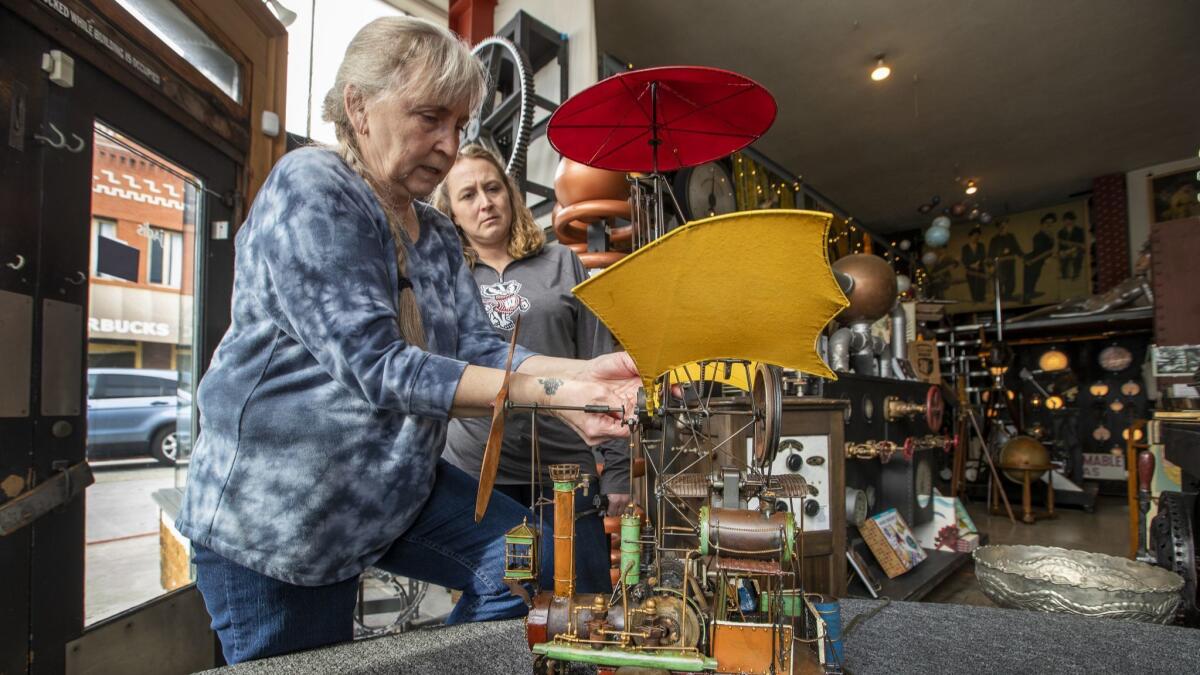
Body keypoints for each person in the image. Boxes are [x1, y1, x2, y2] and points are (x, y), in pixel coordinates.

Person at [174, 17, 641, 664]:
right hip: (283, 523)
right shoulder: (315, 189)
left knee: (527, 560)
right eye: (429, 119)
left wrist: (592, 374)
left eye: (458, 126)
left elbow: (481, 346)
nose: (448, 146)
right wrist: (558, 392)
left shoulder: (439, 235)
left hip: (396, 493)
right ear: (358, 105)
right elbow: (380, 367)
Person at [435, 144, 627, 595]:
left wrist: (616, 470)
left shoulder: (562, 262)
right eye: (468, 195)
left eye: (493, 187)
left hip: (565, 471)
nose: (485, 201)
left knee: (582, 599)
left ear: (510, 194)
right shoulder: (446, 279)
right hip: (477, 473)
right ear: (452, 214)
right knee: (502, 606)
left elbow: (601, 360)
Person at [987, 219, 1023, 302]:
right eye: (1001, 226)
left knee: (1010, 281)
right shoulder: (994, 240)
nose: (1003, 227)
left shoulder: (1011, 237)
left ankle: (1008, 296)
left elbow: (1017, 249)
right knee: (999, 282)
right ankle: (999, 298)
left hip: (1010, 263)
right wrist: (990, 266)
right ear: (998, 227)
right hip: (999, 264)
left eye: (1005, 225)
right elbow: (990, 254)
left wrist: (1023, 257)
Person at [1023, 214, 1056, 303]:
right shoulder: (1039, 236)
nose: (1049, 225)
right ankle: (1027, 297)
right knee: (1031, 277)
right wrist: (1033, 261)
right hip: (1034, 259)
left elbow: (1050, 250)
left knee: (1035, 276)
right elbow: (1041, 252)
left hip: (1037, 260)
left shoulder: (1049, 236)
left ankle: (1030, 293)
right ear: (1042, 224)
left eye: (1051, 223)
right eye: (1047, 222)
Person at [960, 226, 988, 302]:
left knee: (981, 285)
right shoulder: (965, 248)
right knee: (973, 286)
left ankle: (981, 299)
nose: (976, 237)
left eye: (978, 236)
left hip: (980, 270)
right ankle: (975, 300)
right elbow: (964, 259)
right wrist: (970, 265)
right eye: (974, 235)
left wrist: (978, 263)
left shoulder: (981, 245)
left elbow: (983, 256)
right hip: (971, 271)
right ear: (970, 236)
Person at [1056, 211, 1085, 280]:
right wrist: (1062, 251)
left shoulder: (1079, 230)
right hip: (1065, 250)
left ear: (1073, 221)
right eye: (1066, 220)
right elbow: (1060, 245)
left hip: (1077, 249)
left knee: (1077, 254)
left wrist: (1070, 245)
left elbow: (1081, 243)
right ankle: (1064, 274)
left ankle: (1076, 274)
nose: (1068, 222)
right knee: (1061, 255)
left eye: (1070, 220)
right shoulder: (1060, 232)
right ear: (1064, 221)